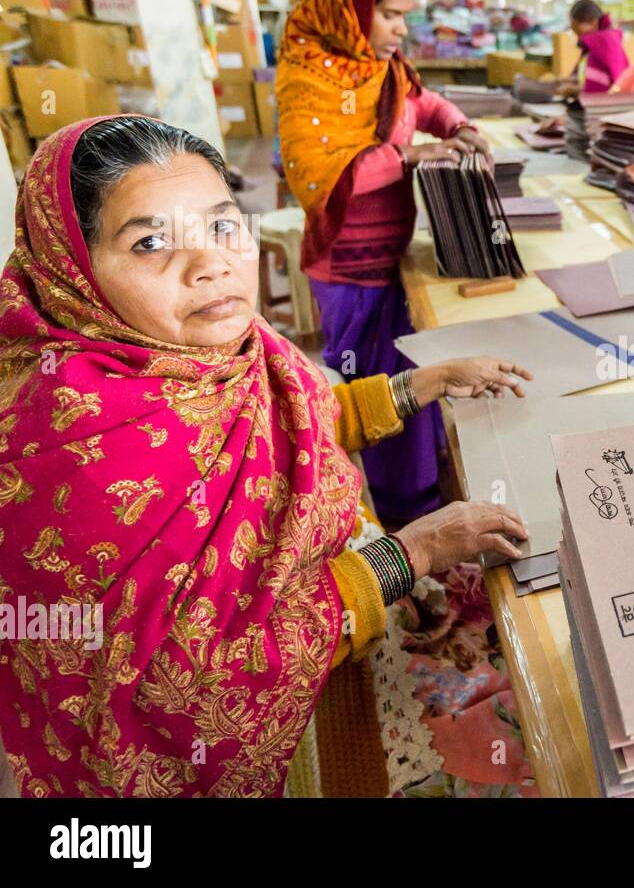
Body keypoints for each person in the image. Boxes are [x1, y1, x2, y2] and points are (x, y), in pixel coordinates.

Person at [0, 115, 534, 797]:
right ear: (71, 269)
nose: (211, 264)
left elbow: (296, 421)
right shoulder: (73, 455)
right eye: (151, 242)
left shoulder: (212, 344)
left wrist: (420, 383)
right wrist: (412, 554)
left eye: (223, 225)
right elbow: (193, 694)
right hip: (246, 740)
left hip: (332, 606)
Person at [276, 0, 493, 524]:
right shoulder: (308, 76)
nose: (401, 29)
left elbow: (426, 103)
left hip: (394, 260)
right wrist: (409, 154)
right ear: (351, 8)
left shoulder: (386, 66)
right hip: (348, 273)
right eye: (391, 15)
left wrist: (459, 126)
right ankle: (397, 521)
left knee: (411, 381)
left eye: (406, 17)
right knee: (372, 392)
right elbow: (314, 177)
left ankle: (422, 496)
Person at [554, 0, 629, 98]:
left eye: (577, 28)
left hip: (604, 107)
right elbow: (586, 74)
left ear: (594, 21)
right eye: (573, 29)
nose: (576, 33)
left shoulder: (604, 41)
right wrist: (572, 79)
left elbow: (605, 87)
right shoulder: (593, 44)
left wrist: (575, 90)